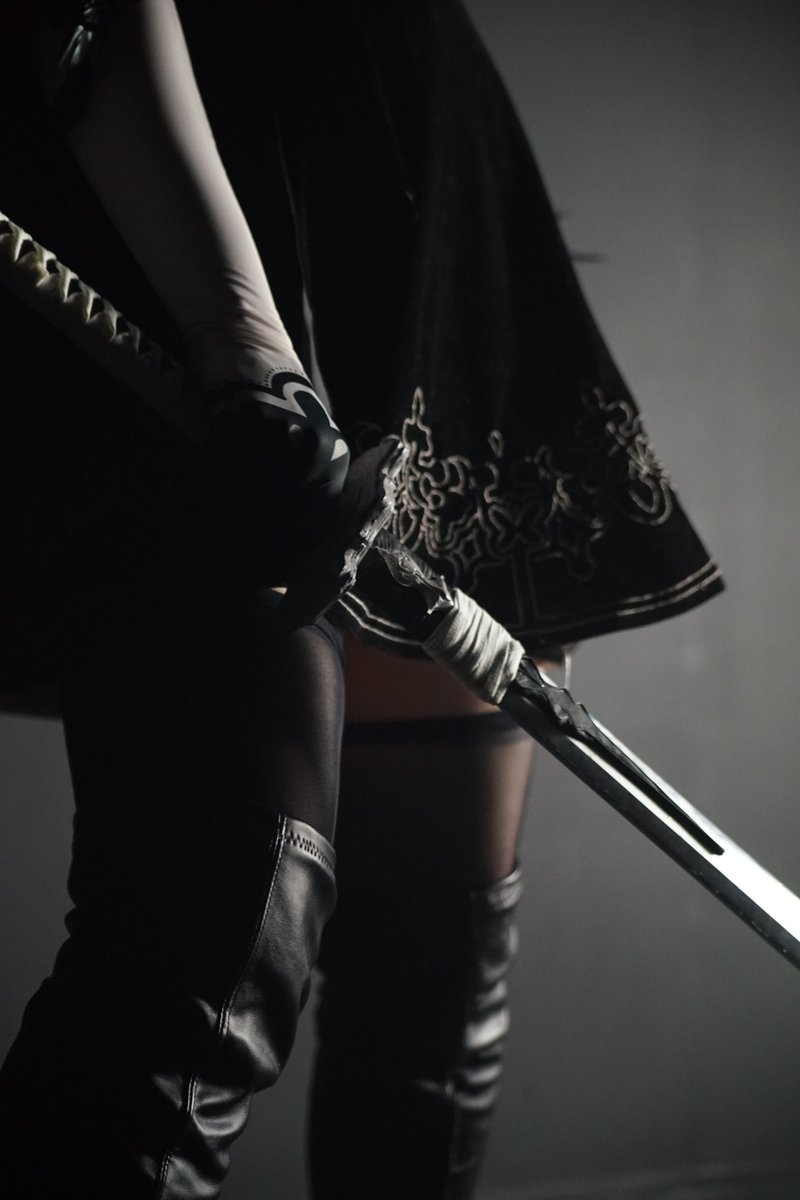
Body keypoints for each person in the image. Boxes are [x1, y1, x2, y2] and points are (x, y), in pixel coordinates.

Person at [0, 2, 723, 1197]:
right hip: (173, 205)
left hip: (408, 184)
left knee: (434, 968)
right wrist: (241, 339)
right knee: (207, 934)